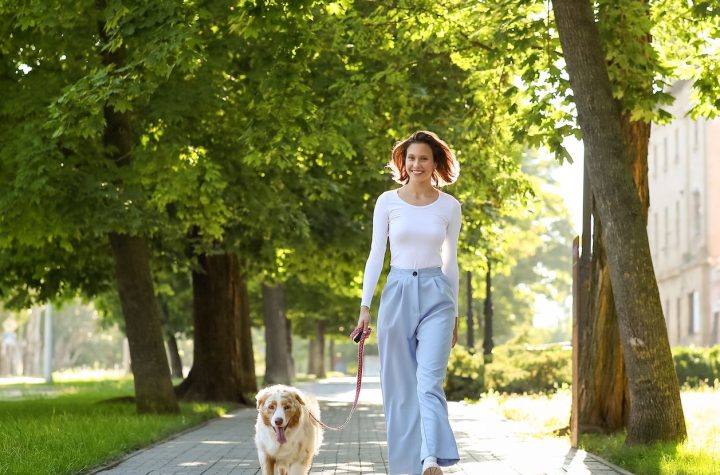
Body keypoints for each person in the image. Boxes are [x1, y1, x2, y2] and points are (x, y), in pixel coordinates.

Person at [356, 130, 461, 475]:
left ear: (435, 164)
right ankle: (405, 469)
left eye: (424, 159)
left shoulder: (449, 206)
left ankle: (430, 459)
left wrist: (456, 312)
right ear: (404, 162)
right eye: (411, 158)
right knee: (399, 389)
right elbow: (375, 255)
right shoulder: (387, 201)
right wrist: (365, 307)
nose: (417, 164)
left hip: (436, 294)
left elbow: (451, 261)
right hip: (397, 291)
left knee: (429, 382)